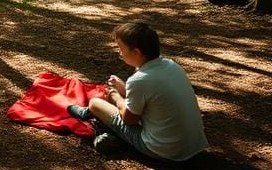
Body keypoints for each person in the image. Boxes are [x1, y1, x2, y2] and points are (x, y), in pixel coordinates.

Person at [67, 22, 209, 161]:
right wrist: (125, 88)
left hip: (162, 151)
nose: (119, 53)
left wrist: (116, 97)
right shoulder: (171, 65)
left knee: (95, 103)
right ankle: (105, 128)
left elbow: (129, 120)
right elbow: (150, 96)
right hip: (193, 146)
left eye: (121, 49)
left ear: (136, 52)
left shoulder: (139, 80)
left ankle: (92, 116)